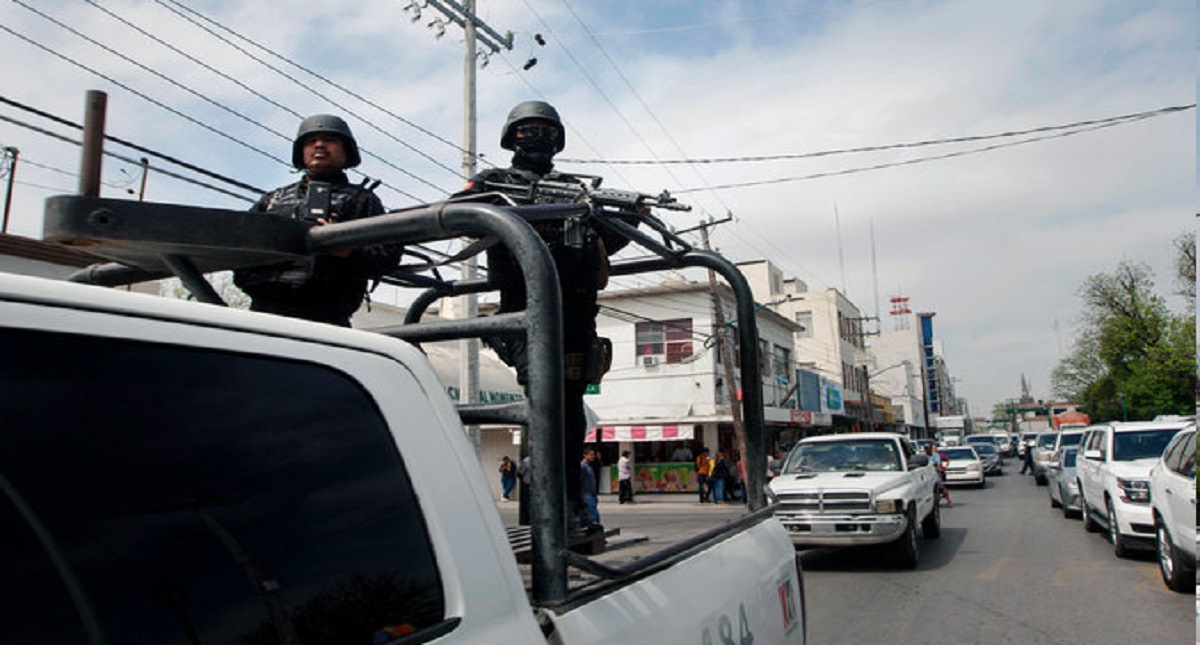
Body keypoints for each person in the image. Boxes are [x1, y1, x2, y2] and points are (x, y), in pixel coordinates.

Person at [455, 101, 634, 534]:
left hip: (574, 314)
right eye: (528, 130)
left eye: (546, 131)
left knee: (571, 410)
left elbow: (612, 237)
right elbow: (462, 213)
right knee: (546, 401)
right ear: (511, 137)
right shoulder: (494, 181)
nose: (537, 138)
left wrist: (608, 217)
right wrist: (516, 209)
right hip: (524, 310)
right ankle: (548, 497)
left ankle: (569, 500)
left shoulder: (574, 188)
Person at [234, 114, 401, 327]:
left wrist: (346, 250)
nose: (319, 145)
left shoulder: (361, 200)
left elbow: (387, 256)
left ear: (346, 150)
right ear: (301, 151)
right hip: (263, 315)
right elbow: (239, 251)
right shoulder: (272, 200)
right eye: (311, 141)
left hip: (325, 319)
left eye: (329, 140)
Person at [580, 449, 601, 529]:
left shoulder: (589, 467)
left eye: (593, 455)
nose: (593, 457)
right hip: (586, 494)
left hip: (591, 493)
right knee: (593, 515)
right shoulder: (583, 466)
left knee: (593, 513)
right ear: (585, 455)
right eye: (591, 455)